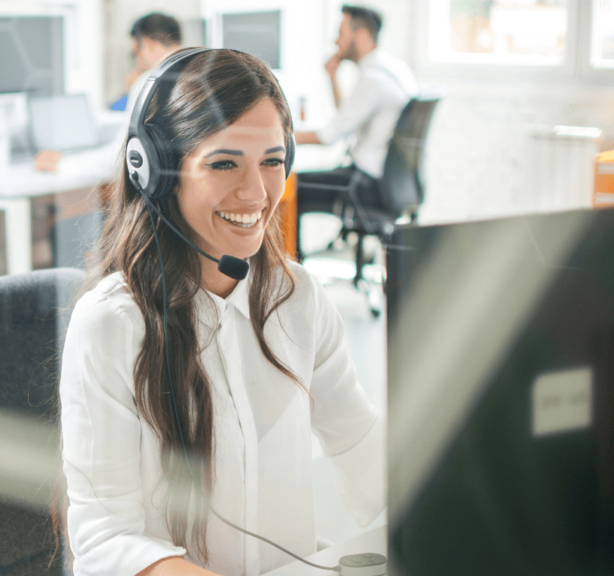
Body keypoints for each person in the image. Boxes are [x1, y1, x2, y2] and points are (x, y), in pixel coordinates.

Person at [59, 49, 384, 576]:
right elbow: (106, 544)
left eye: (273, 161)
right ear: (156, 172)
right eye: (224, 163)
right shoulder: (112, 326)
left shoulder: (297, 297)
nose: (257, 193)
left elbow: (363, 449)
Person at [293, 5, 418, 219]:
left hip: (366, 185)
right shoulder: (394, 69)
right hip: (393, 183)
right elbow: (349, 118)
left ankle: (290, 254)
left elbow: (328, 136)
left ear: (360, 35)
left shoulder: (374, 80)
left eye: (341, 33)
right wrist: (332, 77)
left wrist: (278, 138)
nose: (335, 41)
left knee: (291, 186)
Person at [34, 12, 182, 172]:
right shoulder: (202, 68)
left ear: (148, 45)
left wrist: (64, 164)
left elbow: (123, 155)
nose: (137, 61)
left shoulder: (149, 81)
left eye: (134, 53)